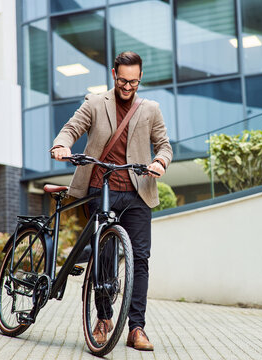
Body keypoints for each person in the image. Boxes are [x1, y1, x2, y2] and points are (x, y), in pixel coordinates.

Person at [51, 51, 172, 351]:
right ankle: (103, 320)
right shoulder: (95, 103)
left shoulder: (151, 109)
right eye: (123, 80)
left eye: (134, 81)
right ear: (113, 74)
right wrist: (61, 145)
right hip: (100, 188)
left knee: (140, 259)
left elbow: (164, 145)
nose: (128, 87)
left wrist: (160, 162)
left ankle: (136, 328)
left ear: (140, 78)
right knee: (104, 257)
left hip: (138, 191)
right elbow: (71, 129)